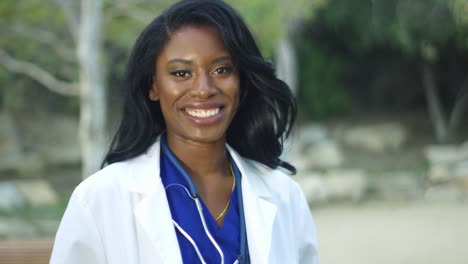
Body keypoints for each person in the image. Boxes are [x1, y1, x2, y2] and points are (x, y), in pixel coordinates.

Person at [50, 0, 319, 263]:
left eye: (221, 69)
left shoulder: (284, 197)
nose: (203, 88)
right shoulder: (99, 199)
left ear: (242, 82)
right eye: (181, 73)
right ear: (153, 87)